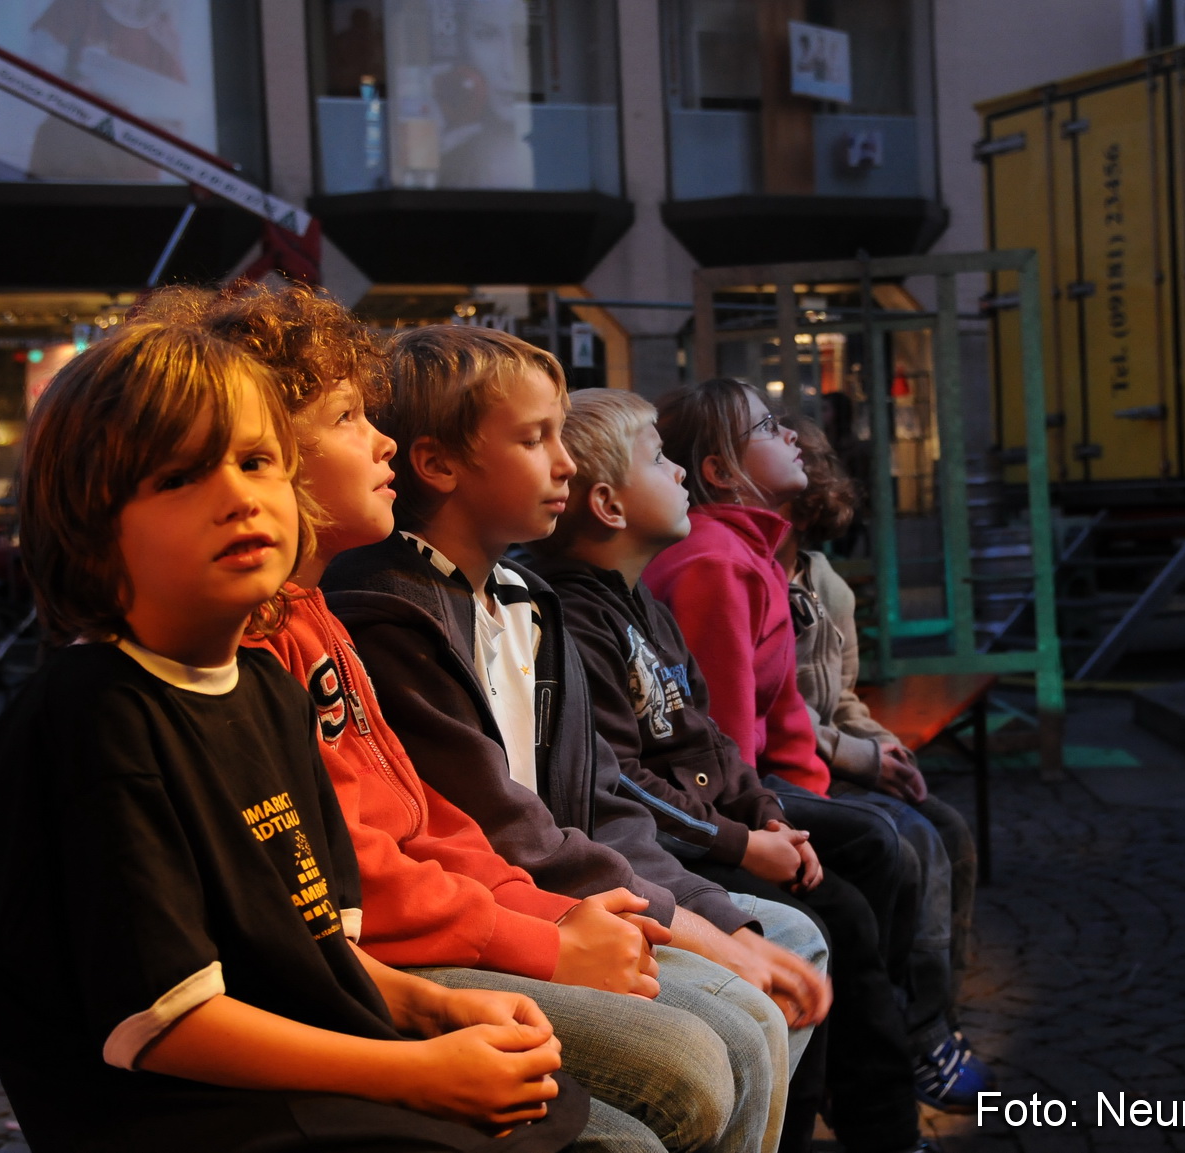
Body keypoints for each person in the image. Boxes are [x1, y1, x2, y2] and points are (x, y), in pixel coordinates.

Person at [0, 319, 590, 1153]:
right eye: (178, 477)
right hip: (197, 1115)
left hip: (318, 1067)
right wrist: (418, 1071)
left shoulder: (266, 688)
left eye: (257, 462)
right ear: (86, 521)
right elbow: (168, 1022)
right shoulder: (96, 719)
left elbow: (315, 946)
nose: (239, 497)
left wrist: (438, 1006)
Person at [154, 282, 766, 1153]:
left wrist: (552, 917)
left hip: (407, 950)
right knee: (692, 1060)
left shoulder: (319, 619)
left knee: (740, 1021)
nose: (381, 442)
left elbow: (429, 820)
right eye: (346, 419)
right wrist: (539, 938)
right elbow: (294, 928)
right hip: (358, 984)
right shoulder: (313, 633)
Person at [320, 325, 833, 1153]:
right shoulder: (384, 611)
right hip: (483, 914)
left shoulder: (526, 598)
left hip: (543, 892)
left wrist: (706, 914)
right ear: (437, 464)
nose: (564, 463)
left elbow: (597, 802)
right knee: (719, 1044)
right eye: (535, 439)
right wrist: (696, 922)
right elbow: (500, 831)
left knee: (778, 967)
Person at [532, 387, 940, 1153]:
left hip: (715, 820)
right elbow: (618, 781)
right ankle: (871, 1121)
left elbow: (712, 736)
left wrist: (766, 813)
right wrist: (743, 842)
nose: (679, 473)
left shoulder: (637, 601)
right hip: (669, 846)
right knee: (836, 909)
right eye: (660, 459)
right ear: (609, 504)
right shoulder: (579, 614)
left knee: (879, 854)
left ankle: (885, 1101)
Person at [643, 377, 993, 1112]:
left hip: (774, 781)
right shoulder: (715, 561)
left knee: (930, 833)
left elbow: (808, 705)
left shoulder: (763, 556)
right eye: (768, 427)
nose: (791, 434)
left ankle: (915, 1028)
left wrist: (857, 756)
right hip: (742, 796)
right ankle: (894, 1044)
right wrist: (775, 819)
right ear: (719, 470)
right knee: (889, 847)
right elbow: (728, 741)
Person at [779, 414, 979, 979]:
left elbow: (842, 696)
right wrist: (860, 757)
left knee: (949, 830)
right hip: (795, 769)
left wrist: (884, 746)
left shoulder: (825, 583)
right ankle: (909, 1000)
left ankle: (939, 992)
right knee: (907, 841)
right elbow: (768, 712)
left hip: (831, 755)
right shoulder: (740, 577)